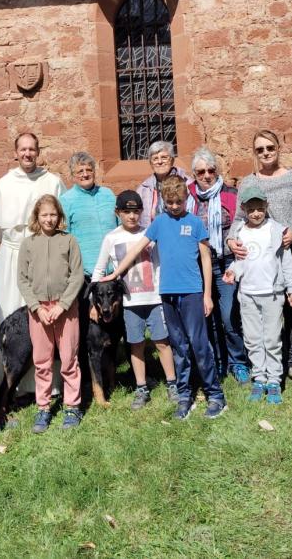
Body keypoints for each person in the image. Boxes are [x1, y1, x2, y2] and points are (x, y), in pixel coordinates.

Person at [103, 175, 227, 421]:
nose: (173, 206)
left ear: (186, 199)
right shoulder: (159, 223)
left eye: (178, 202)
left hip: (192, 292)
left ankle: (215, 395)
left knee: (199, 345)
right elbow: (137, 248)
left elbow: (205, 259)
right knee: (178, 345)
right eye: (169, 202)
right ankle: (184, 394)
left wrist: (207, 295)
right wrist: (116, 272)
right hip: (168, 294)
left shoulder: (195, 224)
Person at [228, 129, 292, 387]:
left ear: (279, 148)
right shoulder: (247, 183)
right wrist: (231, 241)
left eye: (270, 147)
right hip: (260, 260)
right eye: (260, 149)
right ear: (254, 153)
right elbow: (237, 220)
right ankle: (265, 365)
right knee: (263, 313)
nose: (266, 153)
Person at [0, 132, 65, 389]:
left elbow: (60, 222)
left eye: (32, 149)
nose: (28, 154)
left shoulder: (52, 181)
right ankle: (10, 381)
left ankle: (44, 383)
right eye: (23, 149)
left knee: (42, 314)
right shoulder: (4, 184)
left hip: (42, 254)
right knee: (10, 312)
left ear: (38, 152)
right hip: (12, 255)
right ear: (16, 152)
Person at [91, 189, 178, 409]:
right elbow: (99, 271)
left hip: (153, 297)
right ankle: (141, 387)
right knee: (135, 344)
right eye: (127, 212)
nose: (132, 216)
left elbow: (158, 264)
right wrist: (94, 303)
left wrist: (162, 293)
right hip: (129, 304)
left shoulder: (149, 233)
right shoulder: (111, 238)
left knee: (162, 342)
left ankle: (172, 383)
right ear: (117, 212)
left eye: (136, 211)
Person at [223, 185, 292, 405]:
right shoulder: (239, 231)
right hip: (247, 295)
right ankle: (259, 378)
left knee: (272, 339)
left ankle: (274, 380)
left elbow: (286, 263)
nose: (256, 213)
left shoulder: (276, 230)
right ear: (243, 209)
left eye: (260, 208)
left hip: (272, 295)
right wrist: (232, 272)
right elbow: (240, 263)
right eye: (251, 209)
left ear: (266, 206)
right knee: (253, 339)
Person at [17, 195, 85, 433]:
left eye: (53, 214)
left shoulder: (69, 241)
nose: (49, 219)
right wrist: (36, 307)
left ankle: (72, 406)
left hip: (65, 309)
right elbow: (22, 279)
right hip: (39, 311)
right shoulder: (29, 243)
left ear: (60, 216)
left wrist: (62, 305)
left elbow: (77, 275)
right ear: (37, 217)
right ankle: (44, 408)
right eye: (44, 214)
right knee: (42, 361)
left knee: (69, 359)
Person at [187, 147, 250, 385]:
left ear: (217, 171)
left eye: (210, 170)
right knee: (207, 315)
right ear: (194, 174)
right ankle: (217, 361)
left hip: (226, 262)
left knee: (228, 314)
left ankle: (238, 362)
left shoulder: (231, 194)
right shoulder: (187, 196)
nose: (206, 175)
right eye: (200, 171)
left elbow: (243, 225)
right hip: (198, 264)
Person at [61, 152, 117, 276]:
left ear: (94, 172)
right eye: (80, 171)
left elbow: (120, 227)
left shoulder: (108, 194)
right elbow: (64, 237)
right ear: (72, 175)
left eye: (89, 170)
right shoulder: (66, 200)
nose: (85, 174)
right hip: (85, 271)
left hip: (114, 268)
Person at [137, 141, 191, 227]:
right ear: (151, 163)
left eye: (164, 157)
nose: (160, 162)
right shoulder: (143, 189)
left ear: (172, 160)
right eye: (155, 158)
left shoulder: (187, 183)